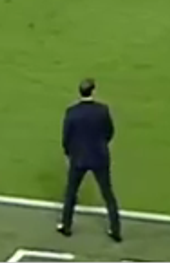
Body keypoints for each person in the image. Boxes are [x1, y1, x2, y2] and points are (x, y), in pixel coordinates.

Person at [57, 78, 121, 243]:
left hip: (78, 158)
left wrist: (69, 152)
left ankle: (66, 225)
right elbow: (109, 132)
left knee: (71, 192)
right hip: (99, 156)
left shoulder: (72, 112)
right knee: (108, 194)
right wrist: (101, 145)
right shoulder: (102, 111)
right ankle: (115, 229)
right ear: (93, 91)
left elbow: (66, 137)